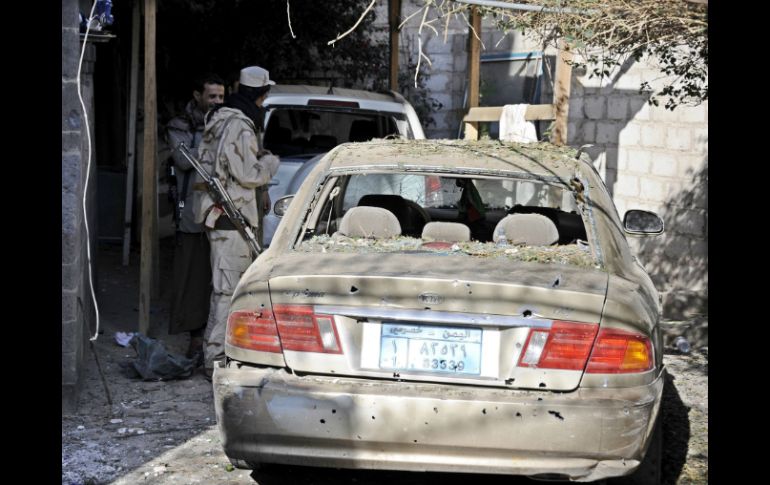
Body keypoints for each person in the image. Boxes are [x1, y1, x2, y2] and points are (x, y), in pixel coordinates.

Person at [193, 66, 280, 379]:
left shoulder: (222, 118)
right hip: (231, 219)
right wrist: (270, 162)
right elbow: (247, 175)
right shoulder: (240, 126)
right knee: (227, 292)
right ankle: (215, 359)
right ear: (260, 95)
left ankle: (219, 353)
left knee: (225, 289)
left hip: (225, 219)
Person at [165, 73, 226, 365]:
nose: (216, 101)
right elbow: (183, 159)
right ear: (197, 95)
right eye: (212, 96)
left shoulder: (227, 122)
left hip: (223, 211)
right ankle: (196, 338)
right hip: (192, 212)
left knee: (218, 276)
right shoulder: (181, 125)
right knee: (193, 277)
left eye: (221, 97)